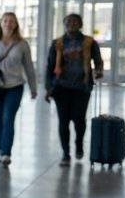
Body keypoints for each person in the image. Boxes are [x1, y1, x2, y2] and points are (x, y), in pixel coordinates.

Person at [0, 12, 38, 167]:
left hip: (15, 86)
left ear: (16, 24)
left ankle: (6, 153)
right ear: (0, 23)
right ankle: (1, 149)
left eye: (11, 21)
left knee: (8, 118)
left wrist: (33, 87)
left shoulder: (22, 44)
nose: (8, 24)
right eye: (5, 21)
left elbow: (29, 67)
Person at [44, 13, 104, 166]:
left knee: (79, 119)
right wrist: (48, 87)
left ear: (80, 24)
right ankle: (66, 153)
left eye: (75, 21)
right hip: (61, 88)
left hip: (81, 88)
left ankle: (79, 144)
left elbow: (98, 60)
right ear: (64, 24)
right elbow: (50, 66)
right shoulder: (57, 43)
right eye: (68, 21)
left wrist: (98, 70)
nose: (71, 23)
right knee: (63, 121)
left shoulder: (89, 42)